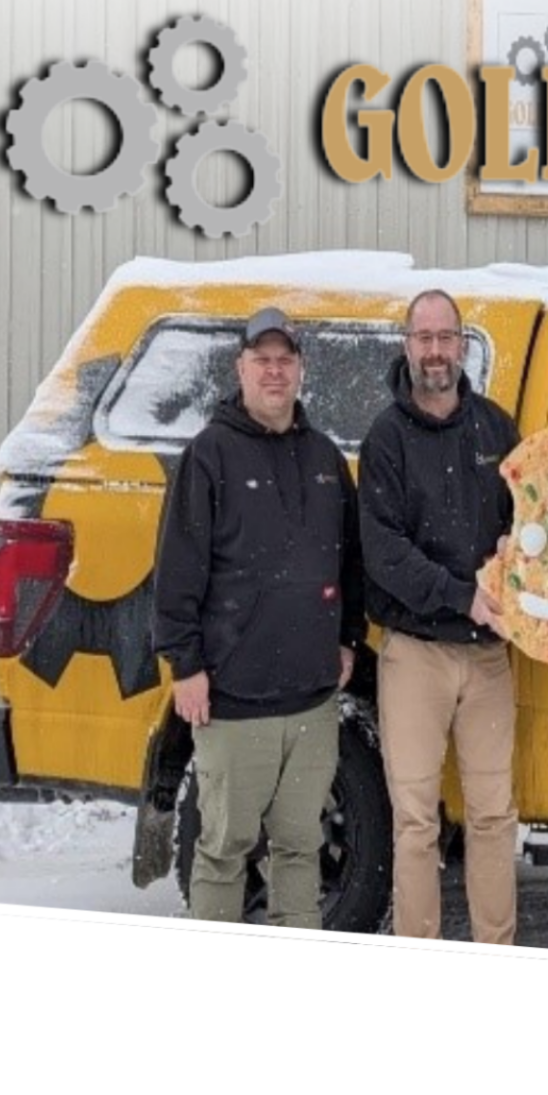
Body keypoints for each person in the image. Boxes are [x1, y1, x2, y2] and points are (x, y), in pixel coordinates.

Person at [152, 307, 364, 929]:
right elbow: (178, 570)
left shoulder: (324, 458)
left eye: (285, 360)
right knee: (224, 851)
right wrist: (185, 666)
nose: (275, 372)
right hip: (233, 701)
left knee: (300, 848)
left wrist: (348, 638)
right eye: (262, 360)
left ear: (300, 369)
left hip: (311, 702)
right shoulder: (209, 456)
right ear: (240, 368)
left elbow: (349, 560)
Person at [359, 289, 522, 944]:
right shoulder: (386, 439)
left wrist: (518, 553)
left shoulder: (495, 430)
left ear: (462, 345)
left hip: (488, 656)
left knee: (493, 817)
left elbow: (528, 520)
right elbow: (384, 553)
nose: (435, 351)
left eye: (445, 338)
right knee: (416, 824)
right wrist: (461, 595)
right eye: (423, 338)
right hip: (415, 654)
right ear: (407, 346)